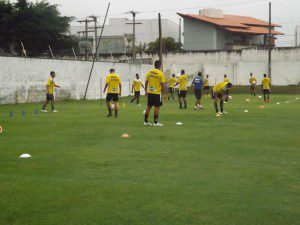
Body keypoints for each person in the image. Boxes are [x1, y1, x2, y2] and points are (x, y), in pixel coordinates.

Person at [144, 60, 166, 126]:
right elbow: (163, 84)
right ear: (160, 65)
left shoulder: (149, 72)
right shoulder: (161, 73)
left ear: (155, 65)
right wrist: (163, 92)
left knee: (148, 107)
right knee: (157, 107)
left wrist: (145, 91)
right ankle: (155, 122)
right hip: (157, 93)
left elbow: (146, 82)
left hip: (150, 93)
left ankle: (146, 121)